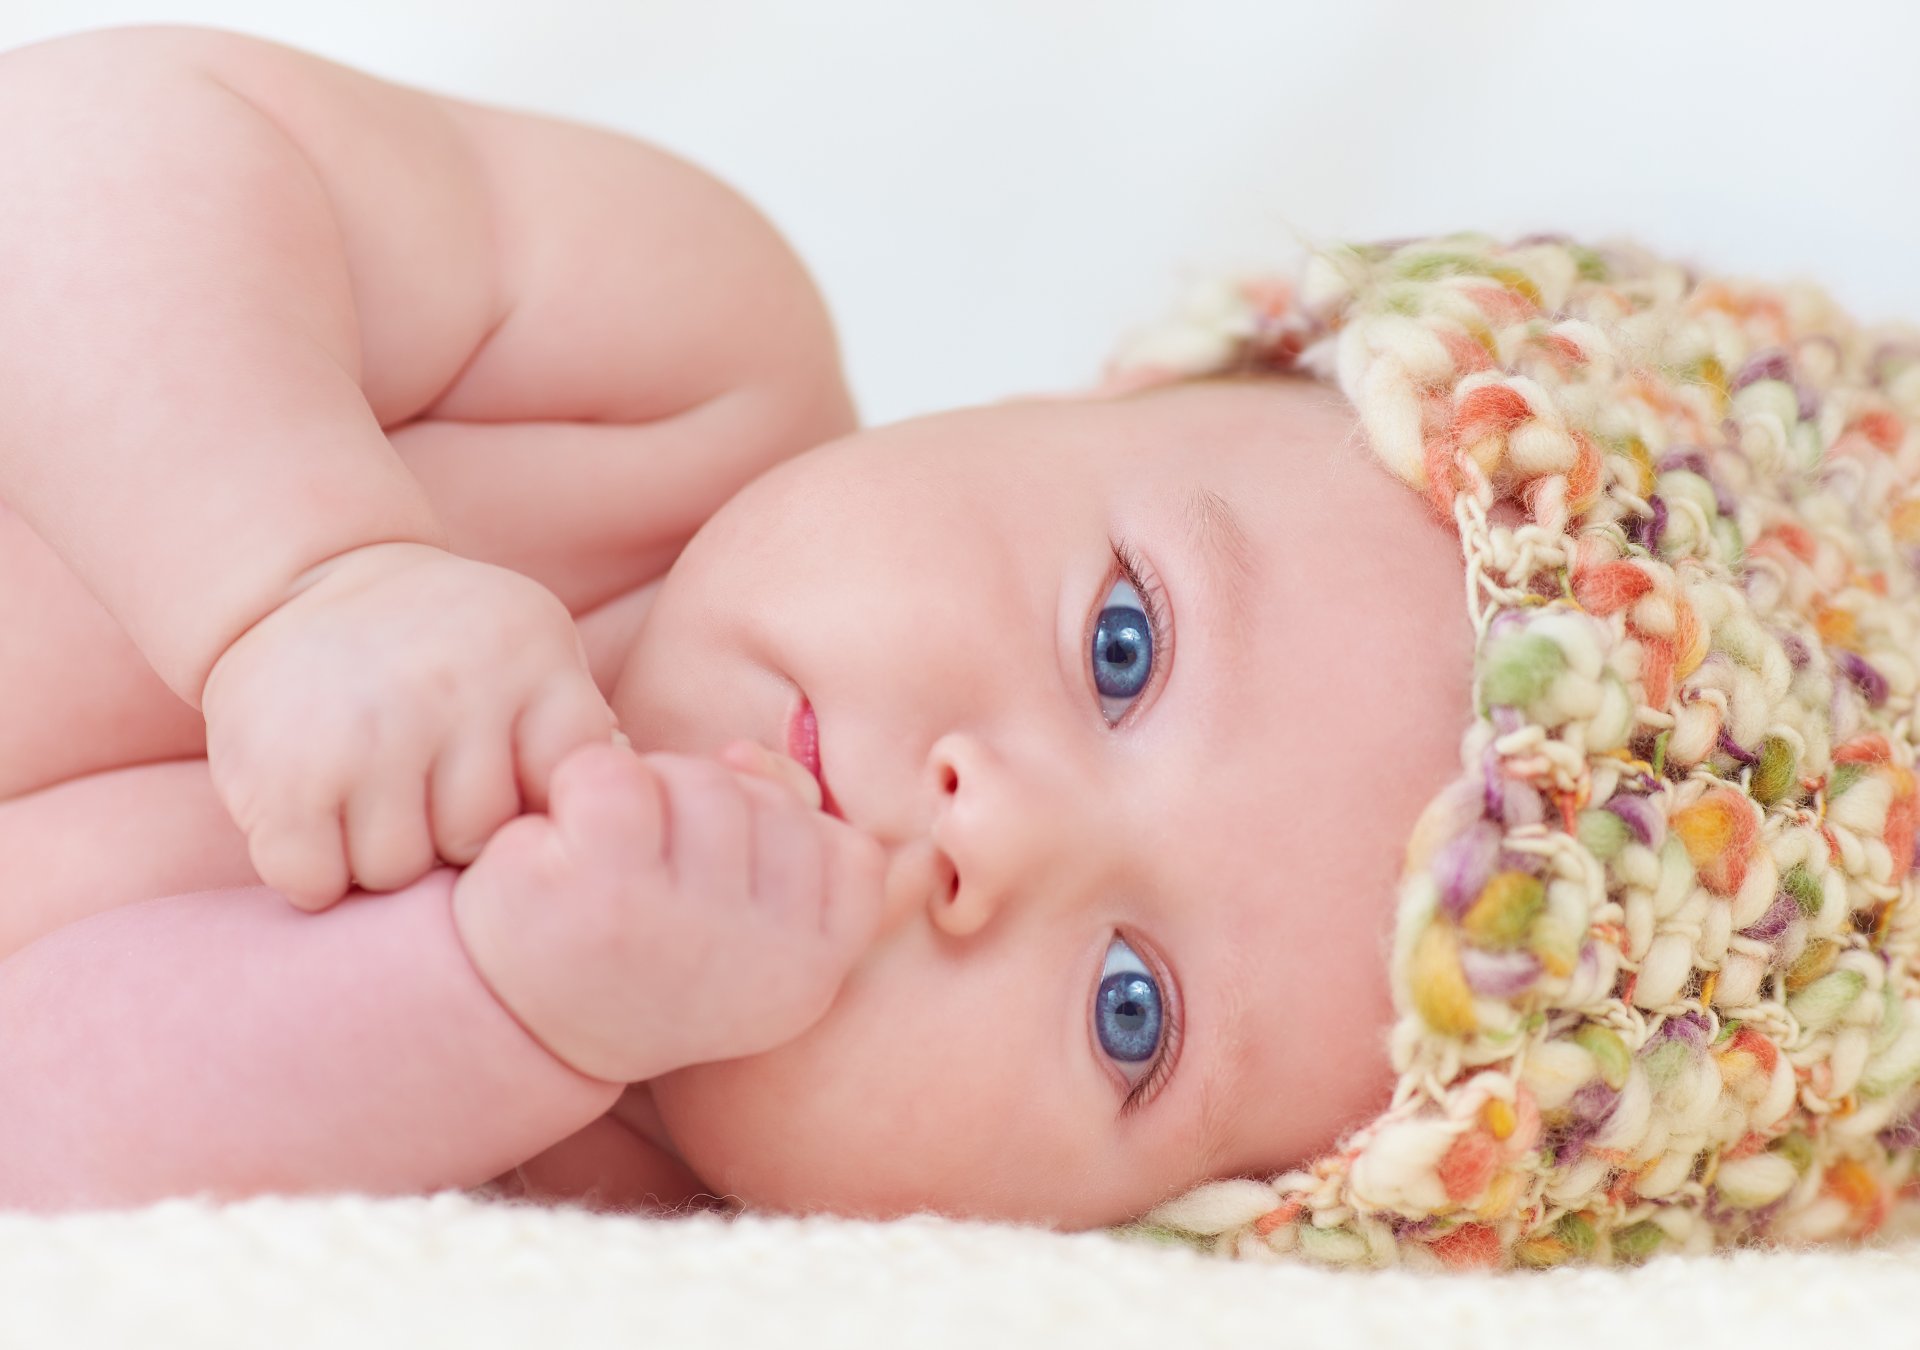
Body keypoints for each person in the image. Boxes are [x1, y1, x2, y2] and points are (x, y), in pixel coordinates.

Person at [3, 25, 1917, 1273]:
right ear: (1094, 396)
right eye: (1120, 642)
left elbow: (45, 1144)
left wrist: (495, 1002)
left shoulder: (592, 1191)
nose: (992, 826)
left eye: (1130, 1011)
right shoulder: (670, 360)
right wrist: (302, 571)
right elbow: (84, 157)